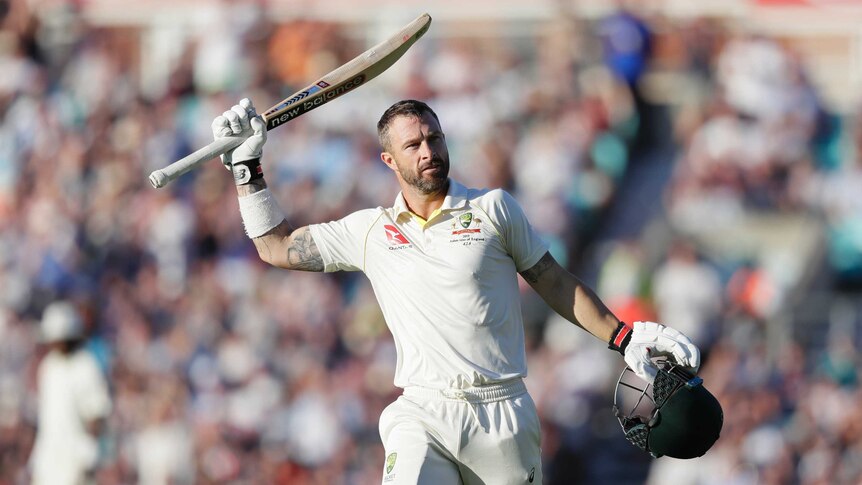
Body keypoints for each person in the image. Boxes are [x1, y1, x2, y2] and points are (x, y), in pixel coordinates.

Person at [212, 98, 701, 484]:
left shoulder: (493, 209)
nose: (428, 151)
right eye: (413, 145)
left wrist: (624, 336)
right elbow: (276, 247)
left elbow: (553, 281)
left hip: (503, 412)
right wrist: (246, 168)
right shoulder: (370, 231)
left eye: (434, 138)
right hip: (423, 409)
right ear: (389, 159)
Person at [29, 301, 112, 485]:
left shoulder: (85, 365)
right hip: (49, 457)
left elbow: (96, 411)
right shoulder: (49, 366)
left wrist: (89, 450)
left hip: (74, 457)